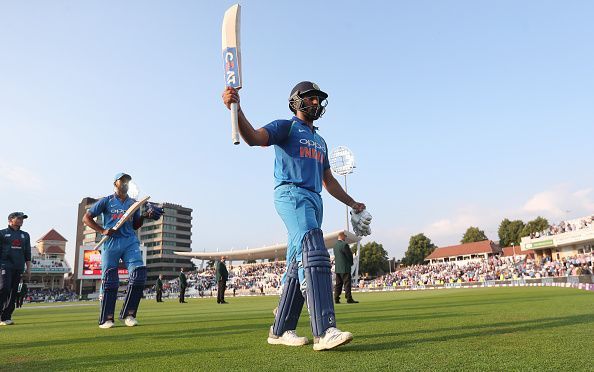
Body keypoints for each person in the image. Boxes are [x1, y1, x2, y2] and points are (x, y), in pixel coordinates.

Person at [222, 81, 370, 351]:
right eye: (310, 98)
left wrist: (352, 202)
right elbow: (255, 138)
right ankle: (324, 330)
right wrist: (238, 109)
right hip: (291, 193)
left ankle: (280, 329)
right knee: (313, 249)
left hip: (314, 199)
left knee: (295, 264)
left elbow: (329, 181)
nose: (316, 103)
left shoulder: (321, 141)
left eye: (318, 99)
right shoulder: (286, 126)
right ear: (295, 101)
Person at [83, 173, 163, 329]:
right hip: (111, 243)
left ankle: (129, 314)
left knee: (139, 274)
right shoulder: (106, 201)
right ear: (115, 183)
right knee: (110, 280)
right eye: (123, 180)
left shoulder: (133, 203)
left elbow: (135, 225)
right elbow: (86, 218)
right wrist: (102, 230)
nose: (126, 183)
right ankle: (107, 318)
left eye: (128, 181)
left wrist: (146, 215)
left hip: (129, 241)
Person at [0, 212, 32, 325]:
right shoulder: (2, 233)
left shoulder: (25, 235)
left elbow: (28, 252)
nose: (21, 220)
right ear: (10, 220)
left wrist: (28, 269)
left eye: (22, 218)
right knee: (4, 288)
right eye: (18, 218)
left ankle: (6, 317)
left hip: (18, 267)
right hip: (5, 266)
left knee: (14, 292)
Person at [333, 232, 358, 304]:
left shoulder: (335, 246)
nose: (345, 238)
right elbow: (349, 255)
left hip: (338, 268)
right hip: (345, 267)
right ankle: (349, 298)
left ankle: (336, 298)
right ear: (342, 237)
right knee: (347, 284)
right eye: (345, 237)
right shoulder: (344, 245)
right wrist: (351, 263)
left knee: (338, 284)